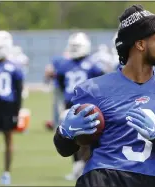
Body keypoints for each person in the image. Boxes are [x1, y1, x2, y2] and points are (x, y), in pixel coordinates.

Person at [53, 5, 155, 187]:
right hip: (101, 179)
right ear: (141, 44)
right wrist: (65, 132)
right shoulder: (94, 89)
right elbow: (65, 150)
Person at [56, 32, 105, 181]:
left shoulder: (93, 65)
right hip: (70, 103)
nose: (74, 49)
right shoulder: (65, 65)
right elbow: (60, 82)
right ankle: (77, 166)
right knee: (71, 136)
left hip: (88, 104)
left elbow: (101, 84)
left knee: (87, 137)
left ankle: (83, 166)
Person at [0, 32, 24, 185]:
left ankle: (6, 173)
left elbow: (18, 91)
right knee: (8, 140)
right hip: (6, 106)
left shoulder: (13, 67)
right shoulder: (14, 67)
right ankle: (6, 173)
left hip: (7, 107)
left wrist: (17, 111)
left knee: (8, 139)